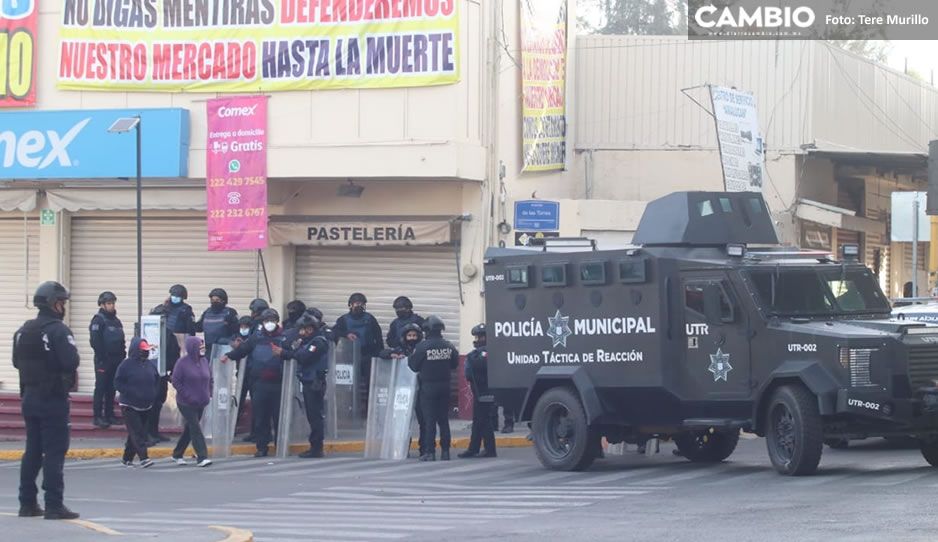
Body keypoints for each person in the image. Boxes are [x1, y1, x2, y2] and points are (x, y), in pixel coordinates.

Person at [13, 281, 81, 520]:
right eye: (62, 302)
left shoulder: (23, 330)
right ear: (55, 304)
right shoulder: (58, 331)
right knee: (54, 451)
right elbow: (71, 361)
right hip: (52, 398)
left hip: (29, 397)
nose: (63, 307)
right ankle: (53, 504)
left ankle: (27, 503)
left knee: (32, 450)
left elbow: (15, 362)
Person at [223, 308, 286, 457]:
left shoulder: (284, 338)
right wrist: (228, 356)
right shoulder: (256, 337)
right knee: (260, 417)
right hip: (259, 383)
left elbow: (292, 354)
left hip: (279, 383)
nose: (269, 324)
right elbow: (243, 350)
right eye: (266, 321)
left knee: (279, 417)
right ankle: (261, 447)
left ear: (277, 322)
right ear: (262, 323)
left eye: (272, 320)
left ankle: (280, 446)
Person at [408, 315, 459, 461]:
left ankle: (430, 452)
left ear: (427, 331)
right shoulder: (448, 345)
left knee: (429, 420)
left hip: (428, 387)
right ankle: (445, 452)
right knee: (443, 420)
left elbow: (413, 366)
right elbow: (455, 364)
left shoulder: (422, 347)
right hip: (445, 386)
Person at [285, 313, 330, 458]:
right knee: (312, 415)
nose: (301, 333)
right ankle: (315, 446)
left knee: (315, 416)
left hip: (314, 383)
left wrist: (293, 351)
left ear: (310, 329)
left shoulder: (318, 342)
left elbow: (304, 357)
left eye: (304, 330)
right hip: (307, 381)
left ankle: (316, 448)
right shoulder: (307, 342)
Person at [379, 322, 428, 458]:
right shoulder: (400, 349)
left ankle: (424, 448)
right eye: (409, 335)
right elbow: (382, 353)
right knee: (402, 421)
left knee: (423, 421)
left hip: (421, 389)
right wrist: (392, 355)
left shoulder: (422, 349)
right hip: (403, 391)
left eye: (414, 335)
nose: (412, 338)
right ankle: (402, 448)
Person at [114, 337, 159, 469]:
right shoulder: (126, 365)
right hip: (129, 405)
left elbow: (156, 379)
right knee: (138, 432)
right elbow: (117, 382)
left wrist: (153, 393)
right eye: (143, 350)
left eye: (147, 350)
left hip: (146, 404)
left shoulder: (150, 365)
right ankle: (144, 458)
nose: (146, 353)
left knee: (135, 432)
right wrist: (130, 392)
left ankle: (126, 458)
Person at [171, 336, 213, 467]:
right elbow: (176, 381)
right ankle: (202, 457)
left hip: (201, 401)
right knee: (195, 427)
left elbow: (210, 379)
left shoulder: (204, 361)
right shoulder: (182, 363)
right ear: (193, 348)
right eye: (200, 347)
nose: (202, 349)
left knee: (190, 428)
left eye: (203, 346)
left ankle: (177, 454)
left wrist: (209, 393)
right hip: (186, 402)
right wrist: (187, 396)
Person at [89, 291, 126, 429]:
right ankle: (97, 416)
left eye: (113, 303)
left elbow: (121, 341)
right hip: (103, 360)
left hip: (116, 360)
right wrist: (102, 357)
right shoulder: (98, 320)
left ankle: (110, 415)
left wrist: (123, 356)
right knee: (101, 388)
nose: (112, 306)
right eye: (109, 303)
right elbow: (95, 341)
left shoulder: (116, 321)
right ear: (102, 305)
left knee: (111, 388)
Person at [459, 324, 496, 458]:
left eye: (480, 336)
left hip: (484, 391)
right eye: (476, 336)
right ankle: (474, 448)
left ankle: (489, 449)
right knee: (478, 420)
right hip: (479, 391)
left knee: (484, 420)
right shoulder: (477, 354)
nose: (477, 339)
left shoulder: (482, 354)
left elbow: (470, 371)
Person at [146, 304, 180, 445]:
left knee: (159, 401)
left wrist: (172, 371)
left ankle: (154, 432)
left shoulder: (168, 333)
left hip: (162, 373)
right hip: (149, 374)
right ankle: (148, 433)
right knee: (151, 404)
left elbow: (173, 352)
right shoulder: (147, 331)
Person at [333, 293, 383, 389]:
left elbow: (378, 336)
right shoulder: (343, 319)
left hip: (368, 355)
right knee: (349, 384)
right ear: (350, 305)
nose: (359, 305)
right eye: (356, 303)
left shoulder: (370, 318)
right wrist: (346, 334)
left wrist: (378, 353)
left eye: (361, 303)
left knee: (370, 383)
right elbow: (334, 333)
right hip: (349, 356)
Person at [195, 288, 239, 353]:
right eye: (212, 300)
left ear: (223, 301)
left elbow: (237, 330)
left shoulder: (230, 312)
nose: (214, 302)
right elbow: (199, 327)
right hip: (209, 349)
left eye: (217, 300)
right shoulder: (207, 312)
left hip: (225, 349)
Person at [233, 315, 255, 440]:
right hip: (240, 374)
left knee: (255, 403)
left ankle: (254, 431)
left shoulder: (254, 339)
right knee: (238, 402)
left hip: (252, 374)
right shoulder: (237, 337)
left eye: (246, 327)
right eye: (241, 326)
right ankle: (233, 427)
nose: (243, 329)